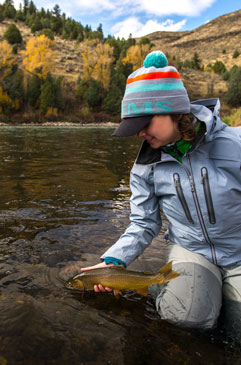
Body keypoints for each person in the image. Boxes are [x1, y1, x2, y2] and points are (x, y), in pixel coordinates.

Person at [81, 50, 241, 335]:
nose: (139, 134)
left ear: (173, 109)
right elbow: (144, 223)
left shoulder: (234, 145)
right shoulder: (145, 167)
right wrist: (113, 261)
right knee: (187, 318)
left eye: (143, 125)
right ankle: (166, 289)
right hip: (192, 251)